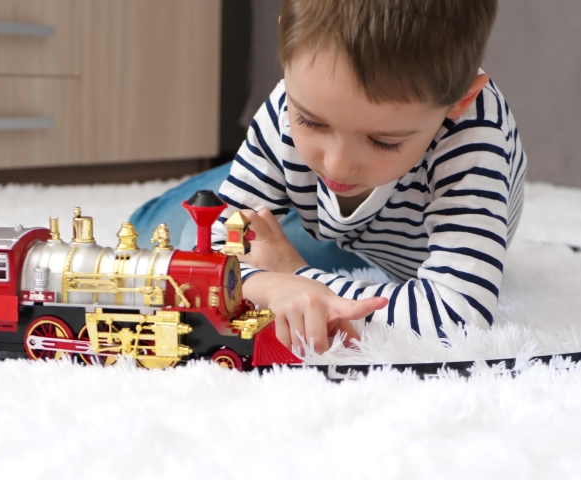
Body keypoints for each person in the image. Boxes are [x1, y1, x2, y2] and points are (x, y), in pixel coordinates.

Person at [130, 0, 526, 354]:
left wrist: (296, 275)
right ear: (286, 43)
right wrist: (270, 288)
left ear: (459, 101)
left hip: (393, 244)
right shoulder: (285, 106)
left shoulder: (475, 136)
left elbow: (456, 317)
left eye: (384, 141)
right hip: (326, 224)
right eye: (311, 121)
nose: (336, 167)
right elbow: (208, 259)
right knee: (153, 239)